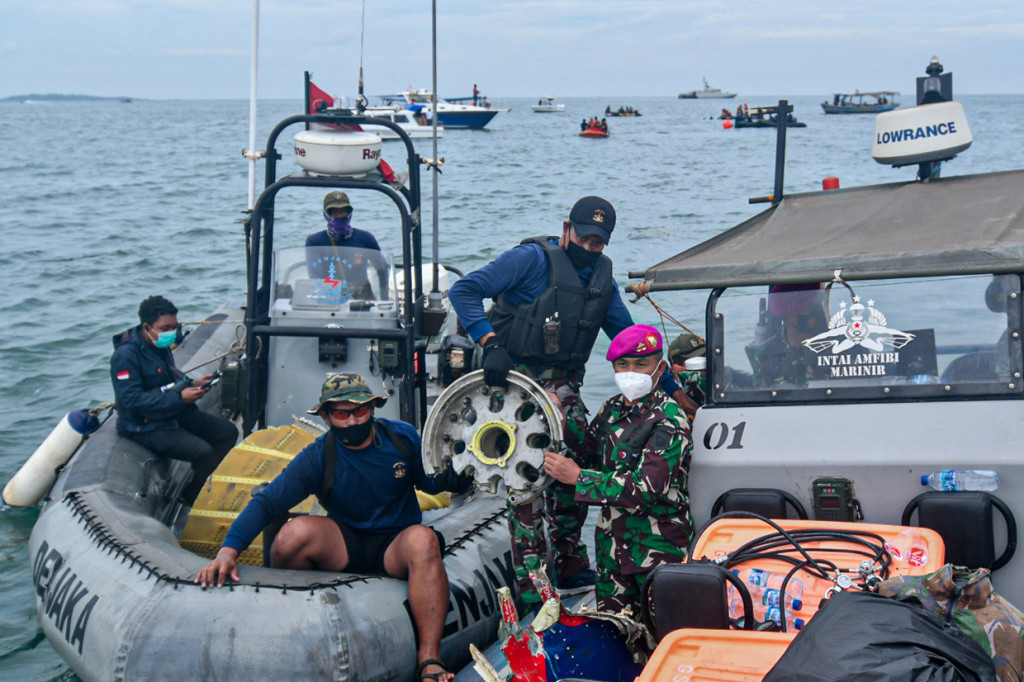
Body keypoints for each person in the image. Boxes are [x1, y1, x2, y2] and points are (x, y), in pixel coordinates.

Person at [448, 196, 677, 608]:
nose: (590, 248)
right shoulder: (531, 260)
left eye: (598, 243)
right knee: (528, 483)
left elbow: (628, 336)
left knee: (578, 466)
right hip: (515, 383)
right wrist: (490, 343)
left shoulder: (600, 277)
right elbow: (464, 290)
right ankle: (533, 587)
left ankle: (570, 560)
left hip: (564, 387)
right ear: (567, 228)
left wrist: (674, 390)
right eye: (585, 238)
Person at [195, 372, 472, 682]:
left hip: (396, 542)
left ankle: (429, 659)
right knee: (290, 537)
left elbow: (429, 482)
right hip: (346, 541)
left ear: (372, 409)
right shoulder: (318, 456)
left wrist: (449, 479)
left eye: (360, 411)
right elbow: (268, 503)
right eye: (342, 414)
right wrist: (228, 551)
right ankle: (294, 633)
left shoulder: (402, 437)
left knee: (423, 540)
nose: (352, 421)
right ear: (326, 417)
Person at [543, 325, 694, 617]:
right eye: (623, 365)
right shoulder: (609, 411)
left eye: (641, 364)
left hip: (658, 551)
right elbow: (585, 456)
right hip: (612, 552)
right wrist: (560, 422)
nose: (631, 371)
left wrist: (579, 478)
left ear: (659, 367)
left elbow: (647, 487)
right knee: (616, 633)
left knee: (663, 634)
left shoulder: (670, 420)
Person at [110, 295, 237, 508]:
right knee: (203, 451)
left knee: (228, 432)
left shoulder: (158, 346)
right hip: (144, 425)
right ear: (147, 326)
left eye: (174, 327)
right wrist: (180, 398)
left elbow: (166, 379)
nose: (171, 333)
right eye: (165, 327)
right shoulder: (125, 356)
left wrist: (192, 383)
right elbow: (131, 400)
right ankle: (191, 498)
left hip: (174, 410)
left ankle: (203, 481)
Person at [306, 190, 390, 300]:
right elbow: (315, 277)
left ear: (349, 213)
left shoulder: (365, 238)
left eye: (343, 211)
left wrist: (384, 301)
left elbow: (382, 269)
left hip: (363, 299)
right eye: (334, 212)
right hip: (330, 300)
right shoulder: (314, 241)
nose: (340, 215)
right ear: (326, 214)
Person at [748, 283, 829, 387]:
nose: (815, 313)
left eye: (816, 307)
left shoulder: (833, 347)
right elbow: (760, 396)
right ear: (787, 315)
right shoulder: (765, 354)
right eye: (807, 308)